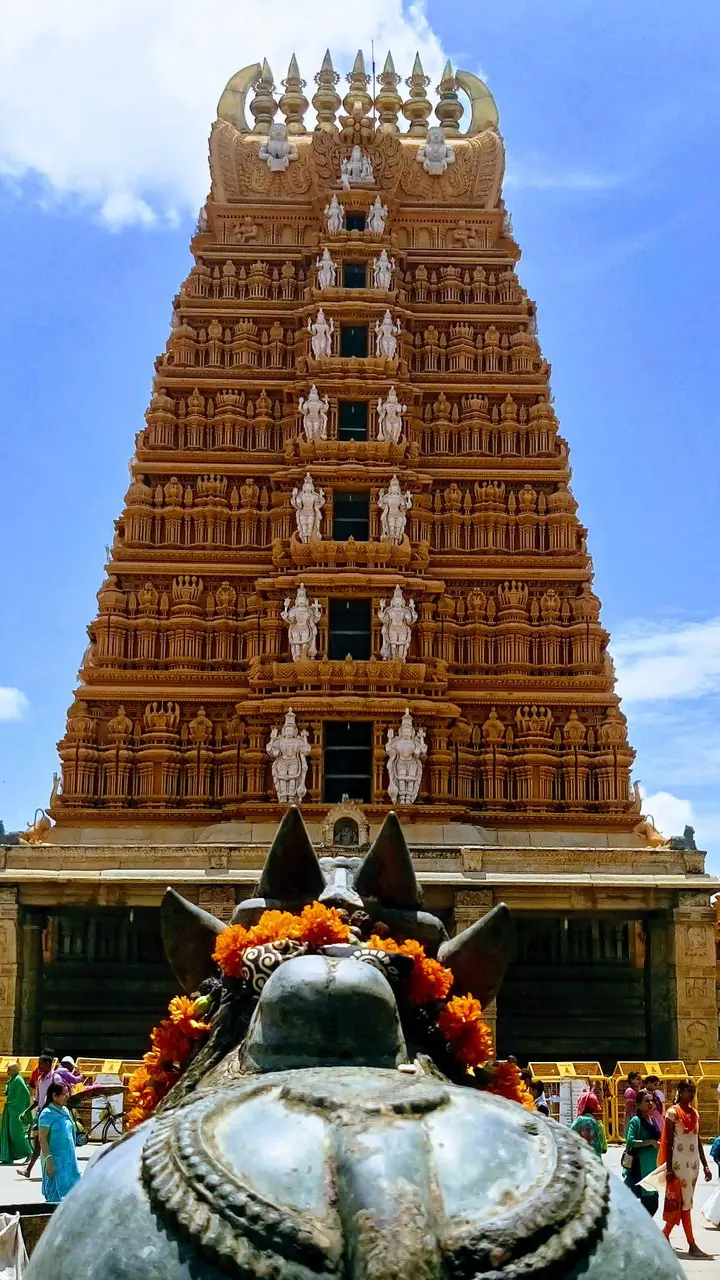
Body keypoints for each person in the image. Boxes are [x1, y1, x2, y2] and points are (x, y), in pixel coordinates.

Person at [660, 1079, 712, 1258]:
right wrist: (668, 1167)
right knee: (684, 1205)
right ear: (680, 1092)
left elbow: (697, 1139)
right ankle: (691, 1243)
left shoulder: (695, 1114)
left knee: (685, 1203)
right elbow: (667, 1143)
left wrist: (705, 1165)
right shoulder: (672, 1113)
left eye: (694, 1091)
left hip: (693, 1166)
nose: (692, 1095)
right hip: (678, 1165)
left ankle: (665, 1235)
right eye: (689, 1091)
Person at [37, 1080, 81, 1203]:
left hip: (68, 1160)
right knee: (55, 1199)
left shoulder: (65, 1111)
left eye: (68, 1093)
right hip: (54, 1160)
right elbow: (42, 1138)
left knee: (72, 1197)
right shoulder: (46, 1114)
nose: (67, 1096)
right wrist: (49, 1160)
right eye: (64, 1094)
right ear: (54, 1096)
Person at [18, 1051, 57, 1178]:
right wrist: (26, 1111)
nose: (39, 1066)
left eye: (41, 1064)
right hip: (42, 1115)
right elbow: (37, 1100)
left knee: (44, 1142)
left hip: (53, 1115)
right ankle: (29, 1170)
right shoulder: (40, 1080)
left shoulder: (55, 1078)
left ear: (48, 1064)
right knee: (39, 1142)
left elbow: (56, 1098)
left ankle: (32, 1169)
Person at [622, 1088, 661, 1215]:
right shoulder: (636, 1121)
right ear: (639, 1104)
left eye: (651, 1101)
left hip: (653, 1165)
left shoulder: (653, 1120)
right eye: (646, 1101)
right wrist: (649, 1142)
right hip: (641, 1166)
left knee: (654, 1202)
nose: (650, 1103)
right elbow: (630, 1142)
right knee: (648, 1201)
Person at [0, 1063, 32, 1164]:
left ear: (14, 1070)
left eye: (9, 1070)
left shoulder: (18, 1079)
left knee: (16, 1134)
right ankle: (8, 1156)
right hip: (9, 1110)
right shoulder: (12, 1079)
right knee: (8, 1133)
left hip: (15, 1111)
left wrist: (14, 1103)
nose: (7, 1072)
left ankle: (28, 1152)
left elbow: (25, 1094)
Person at [570, 1090, 608, 1157]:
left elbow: (570, 1141)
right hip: (595, 1163)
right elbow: (604, 1149)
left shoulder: (576, 1123)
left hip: (579, 1162)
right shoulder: (598, 1125)